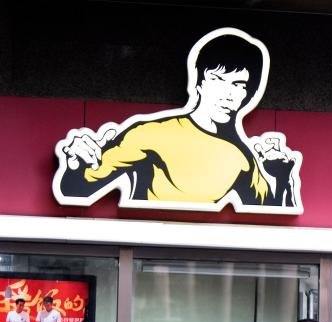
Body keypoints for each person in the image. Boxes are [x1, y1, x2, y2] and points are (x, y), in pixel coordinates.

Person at [56, 29, 298, 209]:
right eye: (217, 79)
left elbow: (272, 219)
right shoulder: (152, 134)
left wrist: (283, 175)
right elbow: (76, 189)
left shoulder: (243, 158)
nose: (228, 93)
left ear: (248, 94)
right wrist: (76, 163)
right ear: (199, 81)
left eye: (238, 84)